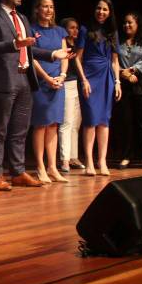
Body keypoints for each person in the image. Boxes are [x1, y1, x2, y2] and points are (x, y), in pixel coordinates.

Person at [0, 0, 68, 190]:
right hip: (4, 80)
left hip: (25, 79)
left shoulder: (22, 18)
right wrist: (14, 44)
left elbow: (29, 48)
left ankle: (18, 172)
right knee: (0, 130)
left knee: (20, 131)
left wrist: (53, 54)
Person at [75, 0, 121, 176]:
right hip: (89, 76)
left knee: (104, 120)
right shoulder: (85, 29)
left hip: (106, 77)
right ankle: (89, 161)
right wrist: (84, 80)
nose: (101, 12)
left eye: (105, 9)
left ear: (110, 12)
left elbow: (115, 60)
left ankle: (102, 160)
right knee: (90, 120)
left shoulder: (112, 32)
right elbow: (77, 58)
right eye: (98, 8)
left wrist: (117, 82)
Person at [29, 0, 69, 184]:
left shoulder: (60, 31)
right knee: (41, 124)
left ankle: (52, 167)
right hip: (40, 82)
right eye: (44, 6)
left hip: (58, 82)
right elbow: (32, 57)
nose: (48, 10)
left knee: (53, 124)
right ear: (37, 9)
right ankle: (40, 167)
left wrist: (62, 76)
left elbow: (65, 56)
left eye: (51, 7)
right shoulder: (31, 30)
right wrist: (46, 78)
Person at [116, 12, 142, 168]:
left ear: (137, 24)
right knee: (126, 121)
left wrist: (134, 71)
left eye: (130, 22)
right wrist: (123, 73)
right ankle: (126, 156)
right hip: (124, 82)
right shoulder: (118, 41)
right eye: (125, 22)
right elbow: (113, 60)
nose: (126, 25)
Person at [58, 17, 84, 174]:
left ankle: (73, 156)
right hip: (66, 84)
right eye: (72, 27)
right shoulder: (63, 44)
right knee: (67, 122)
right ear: (65, 29)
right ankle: (64, 159)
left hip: (76, 85)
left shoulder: (77, 45)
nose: (76, 30)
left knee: (76, 123)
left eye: (77, 27)